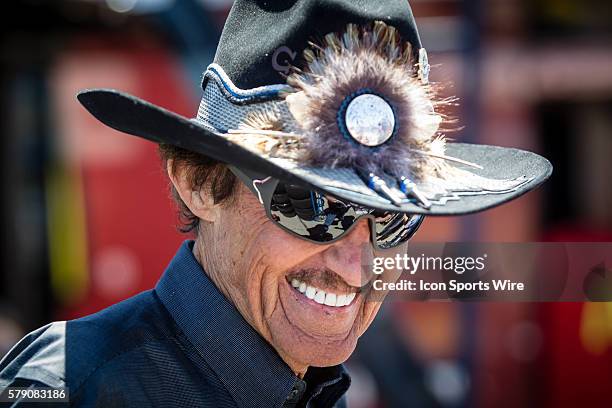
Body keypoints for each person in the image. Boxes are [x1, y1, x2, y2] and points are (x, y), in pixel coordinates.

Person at [0, 0, 551, 406]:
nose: (355, 263)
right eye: (313, 206)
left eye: (390, 217)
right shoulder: (70, 389)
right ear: (197, 181)